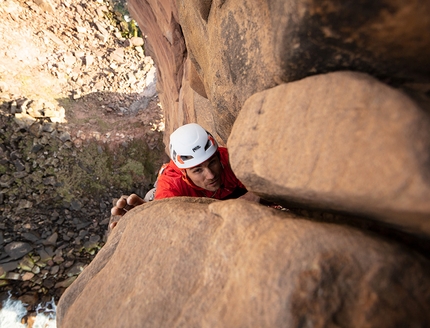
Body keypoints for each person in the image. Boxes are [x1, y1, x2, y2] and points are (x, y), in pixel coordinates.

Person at [111, 123, 260, 219]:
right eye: (197, 170)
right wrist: (150, 215)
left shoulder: (228, 159)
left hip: (218, 198)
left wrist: (254, 195)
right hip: (169, 192)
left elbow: (264, 181)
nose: (211, 175)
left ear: (217, 156)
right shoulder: (171, 185)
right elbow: (165, 219)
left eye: (212, 163)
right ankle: (151, 197)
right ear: (184, 172)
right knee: (153, 196)